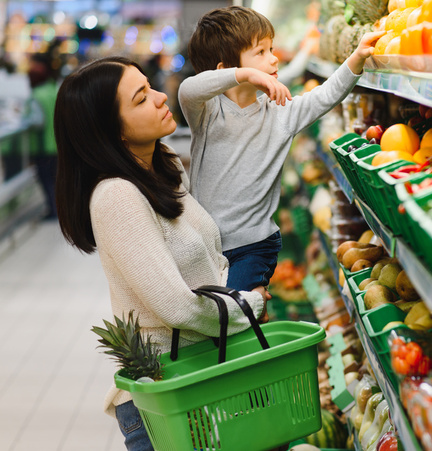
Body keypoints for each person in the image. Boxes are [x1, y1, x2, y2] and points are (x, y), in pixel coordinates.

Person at [54, 56, 271, 451]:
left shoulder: (164, 164)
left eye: (150, 86)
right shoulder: (117, 196)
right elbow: (178, 307)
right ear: (110, 131)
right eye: (140, 99)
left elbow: (210, 258)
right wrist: (249, 305)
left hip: (204, 378)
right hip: (167, 400)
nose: (159, 97)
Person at [179, 5, 383, 292]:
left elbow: (325, 96)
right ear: (226, 69)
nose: (274, 59)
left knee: (237, 313)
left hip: (254, 246)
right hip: (206, 244)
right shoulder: (208, 113)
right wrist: (244, 75)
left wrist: (357, 58)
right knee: (217, 320)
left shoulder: (280, 113)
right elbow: (188, 89)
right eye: (260, 52)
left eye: (271, 48)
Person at [27, 51, 60, 218]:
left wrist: (24, 118)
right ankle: (57, 210)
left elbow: (37, 121)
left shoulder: (36, 95)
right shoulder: (53, 89)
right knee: (55, 180)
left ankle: (53, 211)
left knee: (46, 179)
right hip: (56, 143)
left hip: (43, 146)